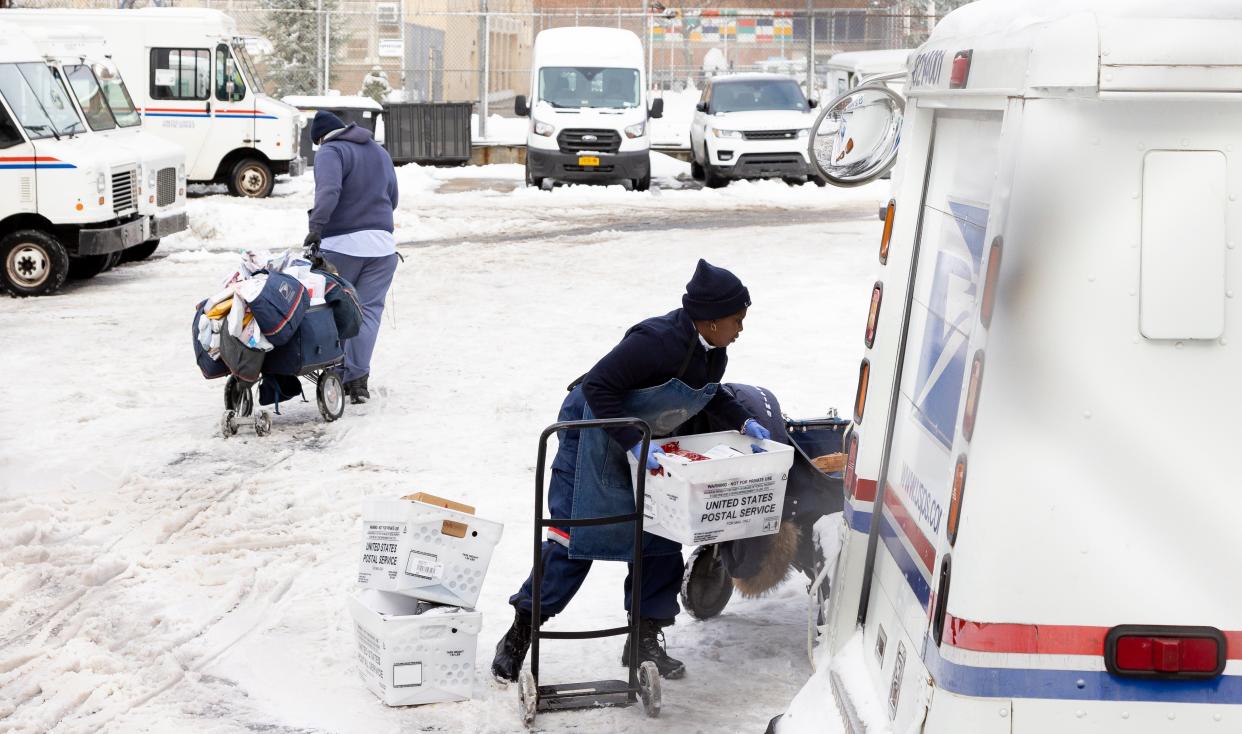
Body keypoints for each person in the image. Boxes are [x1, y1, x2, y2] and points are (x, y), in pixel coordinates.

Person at [492, 259, 772, 683]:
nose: (741, 328)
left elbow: (707, 397)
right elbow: (599, 387)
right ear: (711, 319)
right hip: (594, 433)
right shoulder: (655, 341)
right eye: (737, 319)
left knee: (659, 538)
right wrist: (633, 442)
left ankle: (643, 638)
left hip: (649, 446)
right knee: (576, 540)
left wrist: (740, 419)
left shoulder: (714, 352)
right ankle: (519, 633)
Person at [303, 110, 399, 404]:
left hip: (341, 245)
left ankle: (336, 372)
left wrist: (315, 228)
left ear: (319, 138)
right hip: (383, 247)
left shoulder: (330, 151)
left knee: (333, 308)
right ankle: (357, 380)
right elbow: (393, 196)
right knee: (368, 311)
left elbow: (329, 191)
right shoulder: (378, 151)